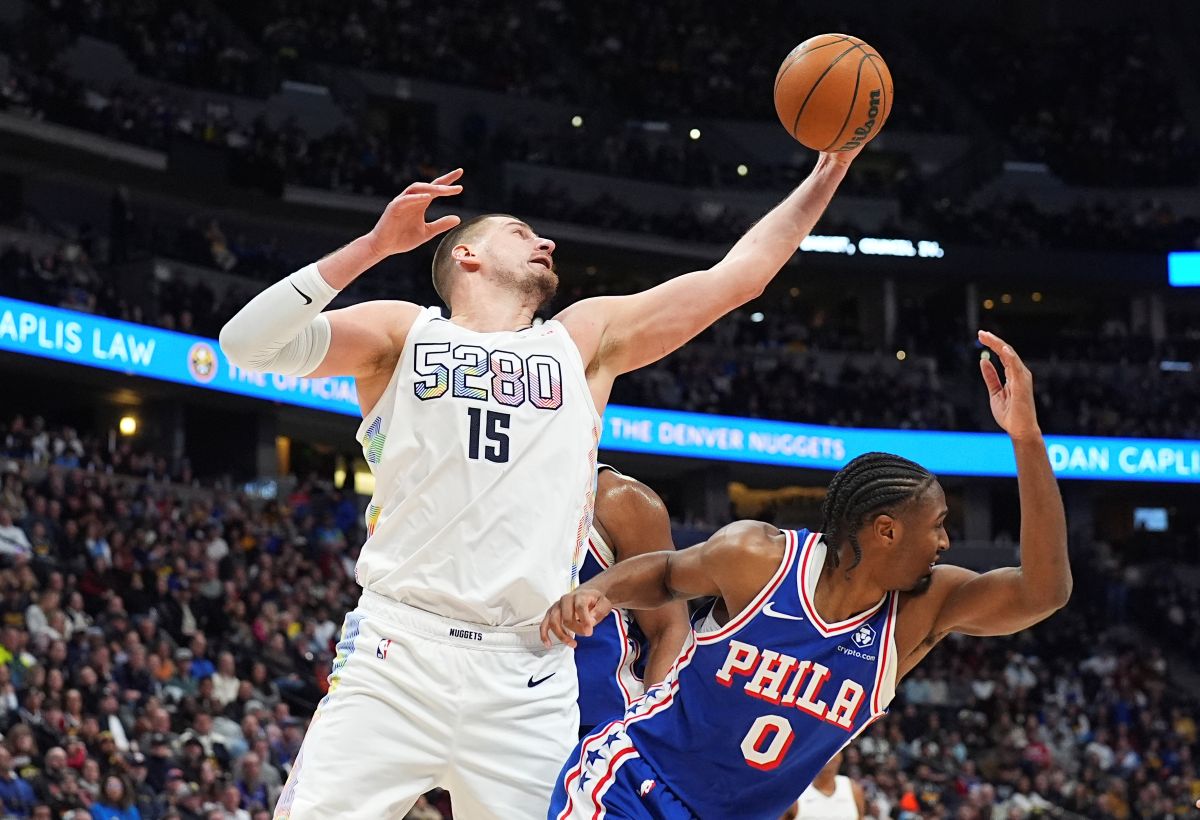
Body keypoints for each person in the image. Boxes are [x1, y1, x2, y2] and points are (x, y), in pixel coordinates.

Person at [220, 146, 862, 818]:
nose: (546, 240)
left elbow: (740, 277)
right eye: (521, 233)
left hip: (527, 675)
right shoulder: (401, 332)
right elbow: (245, 345)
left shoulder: (582, 341)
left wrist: (826, 174)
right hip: (396, 654)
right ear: (465, 255)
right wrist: (374, 246)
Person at [542, 331, 1072, 820]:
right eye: (937, 526)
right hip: (631, 785)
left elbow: (1044, 591)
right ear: (886, 531)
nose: (946, 542)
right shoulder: (759, 557)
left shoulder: (923, 610)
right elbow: (666, 574)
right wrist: (597, 590)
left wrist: (1025, 439)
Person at [575, 467, 690, 736]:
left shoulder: (620, 499)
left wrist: (652, 729)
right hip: (498, 701)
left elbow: (669, 627)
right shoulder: (480, 491)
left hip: (604, 721)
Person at [781, 752, 864, 819]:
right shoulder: (795, 792)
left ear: (840, 757)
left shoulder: (853, 788)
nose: (830, 757)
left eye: (835, 751)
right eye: (826, 752)